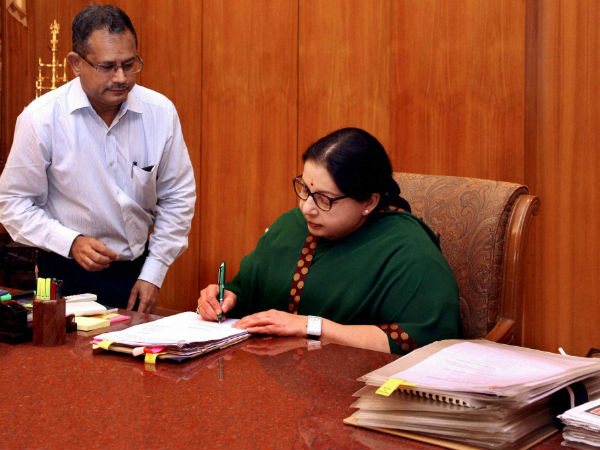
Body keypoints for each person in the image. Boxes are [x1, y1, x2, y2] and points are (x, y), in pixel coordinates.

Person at [0, 4, 196, 312]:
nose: (121, 77)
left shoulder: (159, 113)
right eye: (107, 67)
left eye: (129, 64)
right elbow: (12, 203)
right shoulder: (42, 119)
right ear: (76, 63)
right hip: (62, 270)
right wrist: (71, 241)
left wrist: (154, 272)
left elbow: (178, 198)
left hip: (134, 274)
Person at [197, 127, 460, 354]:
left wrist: (313, 327)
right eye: (304, 189)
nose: (307, 208)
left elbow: (427, 340)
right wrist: (226, 298)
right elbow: (247, 292)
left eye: (324, 199)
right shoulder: (291, 227)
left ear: (369, 202)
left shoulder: (408, 251)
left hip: (357, 387)